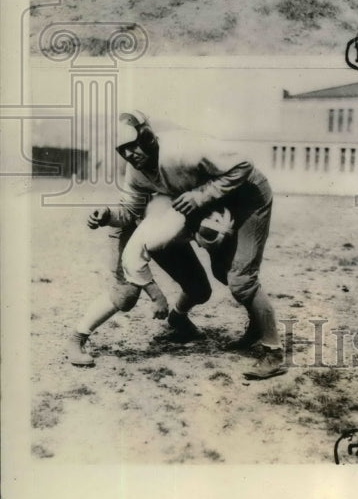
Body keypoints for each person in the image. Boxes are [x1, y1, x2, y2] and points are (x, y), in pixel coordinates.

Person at [68, 111, 286, 380]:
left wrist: (201, 195)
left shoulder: (183, 148)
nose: (130, 155)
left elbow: (244, 166)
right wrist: (107, 215)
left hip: (246, 195)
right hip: (209, 205)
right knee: (222, 273)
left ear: (148, 138)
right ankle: (254, 327)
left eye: (134, 146)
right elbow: (130, 212)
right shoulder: (137, 173)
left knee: (241, 279)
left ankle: (274, 352)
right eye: (123, 150)